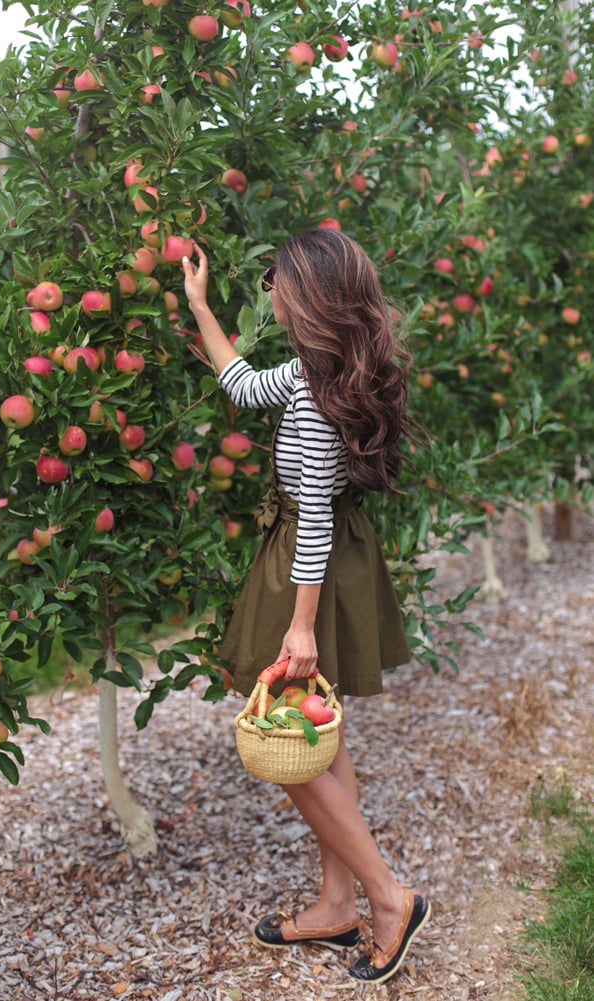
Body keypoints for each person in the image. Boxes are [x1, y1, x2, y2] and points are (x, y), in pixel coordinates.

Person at [181, 229, 430, 986]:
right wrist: (197, 302)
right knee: (316, 739)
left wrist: (298, 623)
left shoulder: (322, 401)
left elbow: (316, 516)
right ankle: (335, 903)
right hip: (309, 551)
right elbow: (244, 385)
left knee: (287, 741)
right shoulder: (314, 371)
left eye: (279, 283)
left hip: (308, 564)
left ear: (311, 297)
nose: (270, 294)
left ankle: (389, 898)